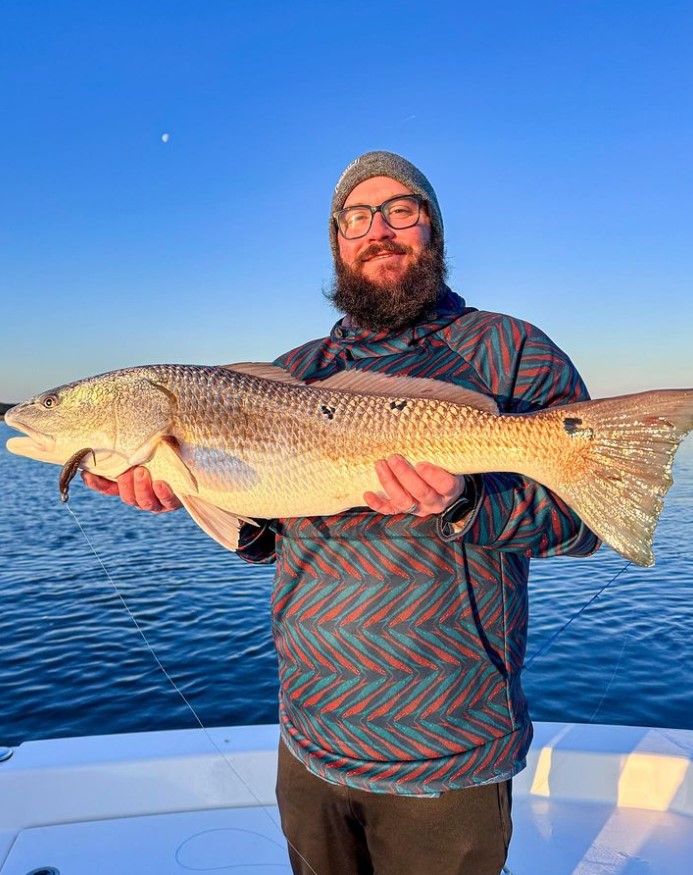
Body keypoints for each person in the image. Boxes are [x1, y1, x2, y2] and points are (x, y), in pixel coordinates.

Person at [84, 151, 601, 875]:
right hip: (310, 736)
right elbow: (272, 536)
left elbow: (585, 521)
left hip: (450, 743)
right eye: (356, 217)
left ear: (433, 227)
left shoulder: (512, 350)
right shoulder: (293, 371)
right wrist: (194, 493)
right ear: (336, 242)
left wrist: (466, 500)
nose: (378, 230)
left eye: (400, 210)